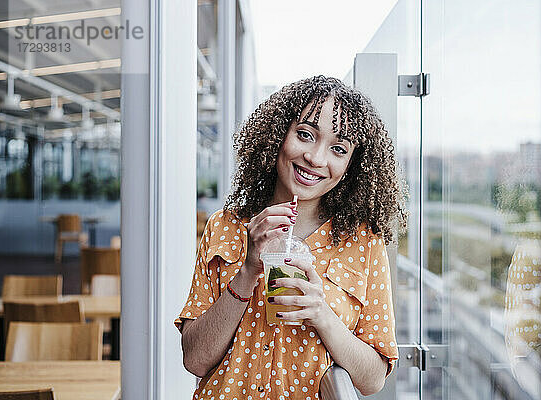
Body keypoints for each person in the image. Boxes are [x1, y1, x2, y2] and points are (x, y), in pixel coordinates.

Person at [175, 75, 409, 399]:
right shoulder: (225, 227)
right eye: (305, 135)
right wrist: (246, 273)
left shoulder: (364, 244)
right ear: (278, 135)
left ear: (352, 165)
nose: (316, 158)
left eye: (338, 149)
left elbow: (372, 380)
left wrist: (321, 313)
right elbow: (195, 360)